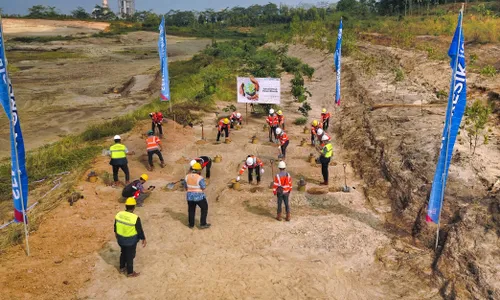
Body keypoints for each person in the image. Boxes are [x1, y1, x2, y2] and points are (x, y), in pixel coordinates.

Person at [114, 197, 146, 277]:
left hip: (120, 239)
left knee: (123, 252)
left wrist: (117, 236)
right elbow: (139, 230)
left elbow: (115, 227)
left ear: (126, 206)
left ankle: (122, 268)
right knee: (130, 256)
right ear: (134, 207)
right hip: (130, 241)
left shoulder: (119, 214)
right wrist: (143, 238)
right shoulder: (135, 218)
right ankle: (130, 272)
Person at [183, 163, 211, 229]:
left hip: (189, 197)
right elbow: (203, 187)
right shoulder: (200, 178)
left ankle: (191, 224)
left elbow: (185, 186)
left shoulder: (187, 176)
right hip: (199, 197)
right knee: (204, 208)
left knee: (191, 210)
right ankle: (203, 224)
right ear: (198, 170)